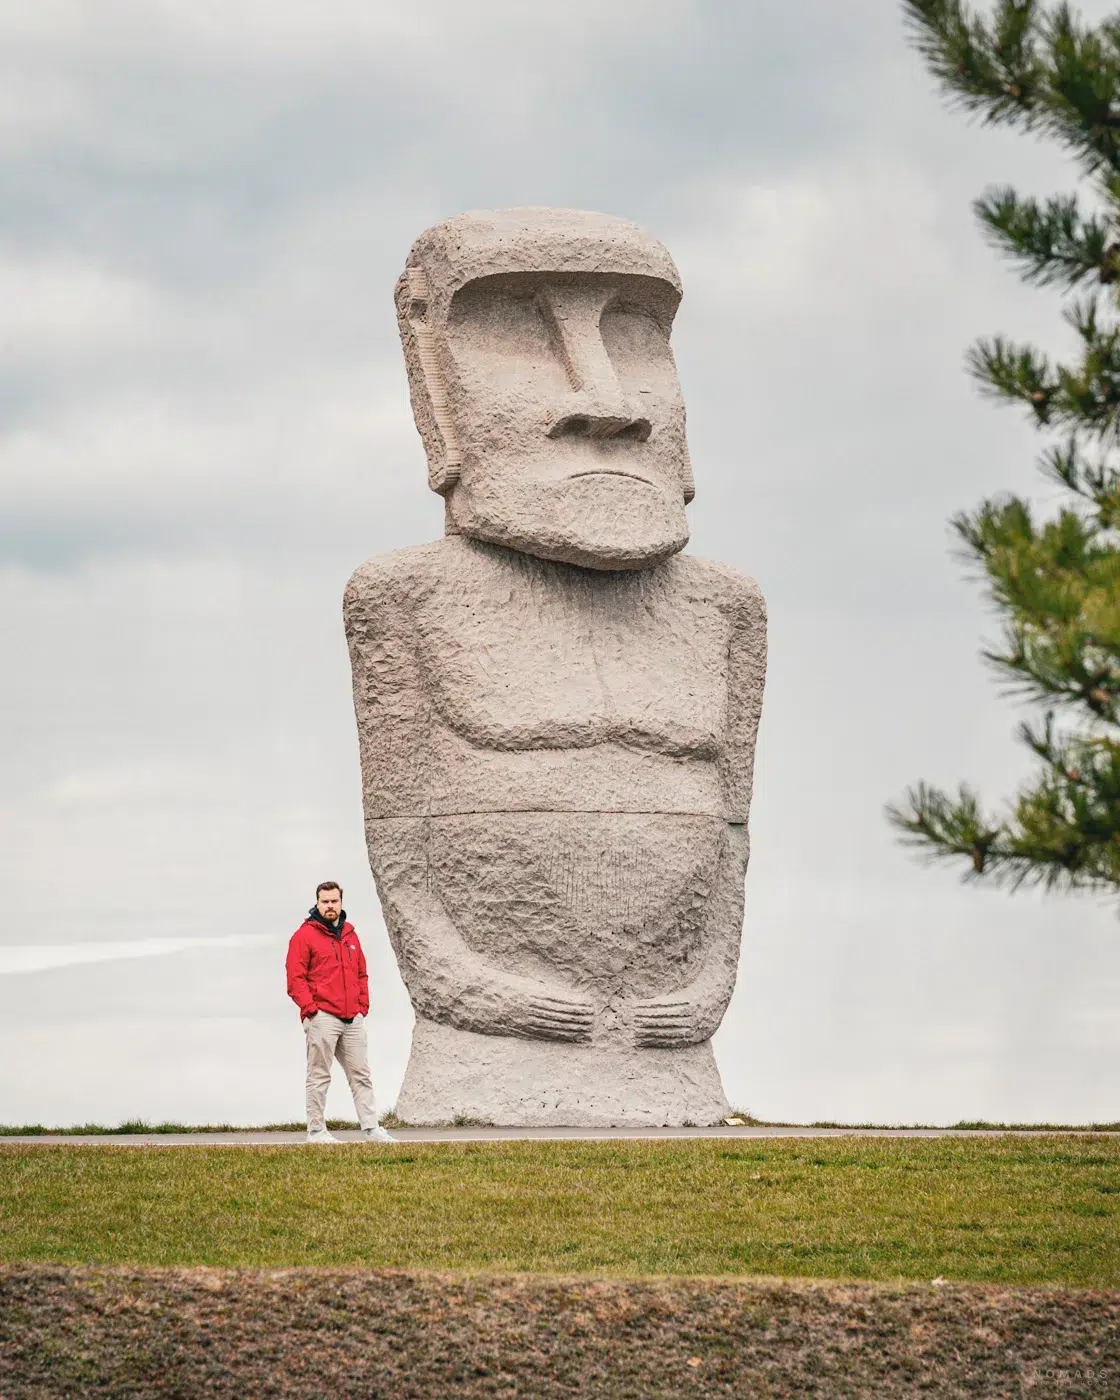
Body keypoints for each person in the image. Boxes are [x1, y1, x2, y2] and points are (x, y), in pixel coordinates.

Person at [285, 881, 395, 1144]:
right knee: (319, 1075)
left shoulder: (350, 935)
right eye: (325, 902)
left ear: (341, 902)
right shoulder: (304, 936)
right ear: (317, 903)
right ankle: (316, 1131)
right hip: (323, 1016)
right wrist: (311, 1010)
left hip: (352, 1018)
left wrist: (362, 1007)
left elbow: (361, 973)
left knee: (361, 1074)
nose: (330, 906)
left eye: (334, 901)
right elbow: (295, 978)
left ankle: (371, 1129)